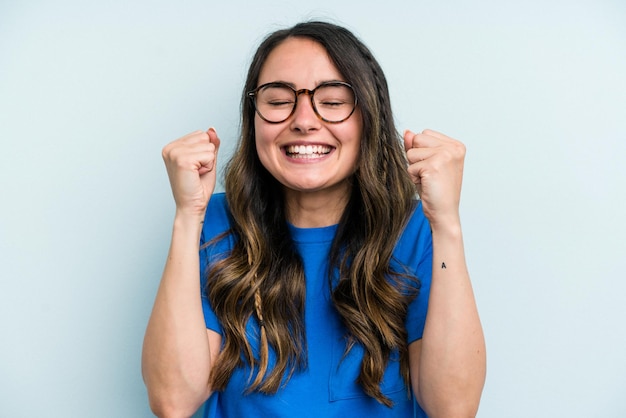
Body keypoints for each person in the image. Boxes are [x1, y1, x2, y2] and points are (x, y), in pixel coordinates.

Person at [142, 21, 486, 418]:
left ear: (368, 118)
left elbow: (454, 408)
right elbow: (172, 401)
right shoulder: (214, 224)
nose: (303, 120)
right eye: (277, 100)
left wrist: (446, 222)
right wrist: (188, 215)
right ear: (253, 118)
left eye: (334, 100)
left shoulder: (417, 230)